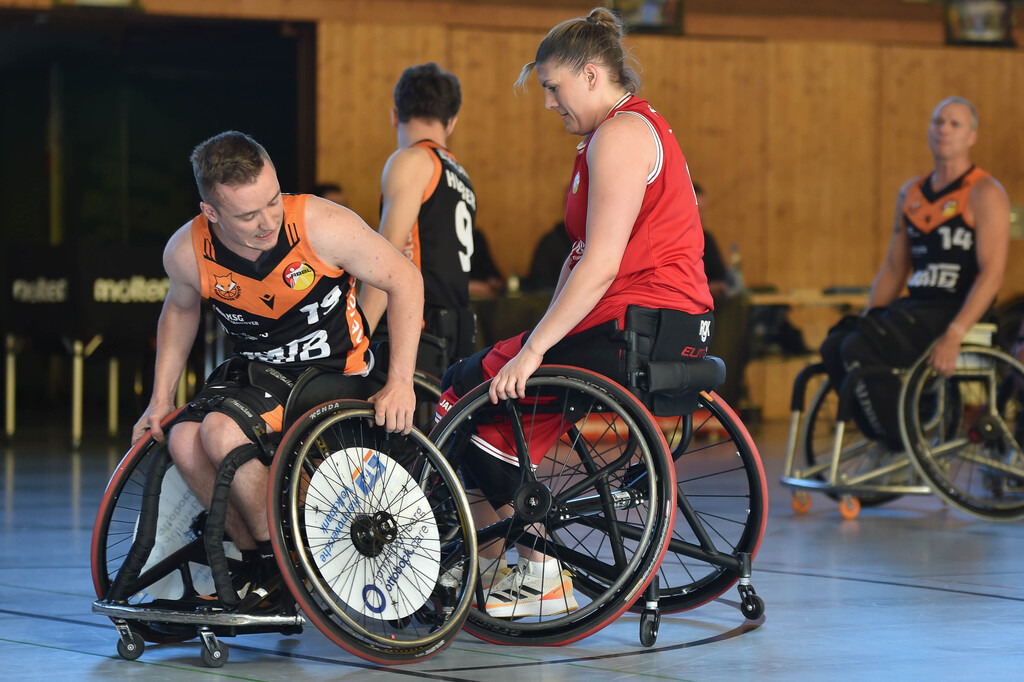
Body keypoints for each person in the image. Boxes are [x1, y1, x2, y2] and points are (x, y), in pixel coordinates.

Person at [436, 7, 714, 618]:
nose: (548, 103)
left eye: (553, 87)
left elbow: (602, 265)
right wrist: (535, 335)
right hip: (656, 319)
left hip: (634, 322)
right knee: (471, 380)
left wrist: (534, 350)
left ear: (591, 75)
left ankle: (535, 569)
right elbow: (580, 257)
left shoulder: (620, 135)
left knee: (464, 398)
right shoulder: (620, 132)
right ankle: (496, 560)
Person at [131, 131, 424, 609]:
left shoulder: (321, 224)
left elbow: (405, 279)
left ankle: (282, 563)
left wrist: (400, 381)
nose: (267, 221)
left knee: (220, 431)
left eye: (272, 202)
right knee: (182, 438)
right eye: (248, 215)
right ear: (211, 213)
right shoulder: (187, 250)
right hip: (261, 372)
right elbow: (180, 310)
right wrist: (160, 399)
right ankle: (257, 560)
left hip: (332, 370)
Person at [820, 97, 1010, 451]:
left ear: (971, 136)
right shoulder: (911, 193)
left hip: (956, 309)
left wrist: (955, 334)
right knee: (836, 343)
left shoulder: (985, 192)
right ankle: (890, 435)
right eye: (938, 121)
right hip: (916, 308)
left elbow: (993, 275)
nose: (944, 130)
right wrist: (868, 317)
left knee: (858, 347)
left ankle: (904, 442)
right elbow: (895, 268)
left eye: (954, 124)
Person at [359, 62, 478, 378]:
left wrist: (356, 335)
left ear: (394, 115)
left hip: (416, 332)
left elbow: (385, 258)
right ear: (451, 123)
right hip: (456, 333)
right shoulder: (461, 176)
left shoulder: (411, 160)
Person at [469, 227, 505, 299]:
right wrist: (471, 286)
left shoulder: (476, 235)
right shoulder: (448, 237)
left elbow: (493, 274)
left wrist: (494, 281)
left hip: (483, 297)